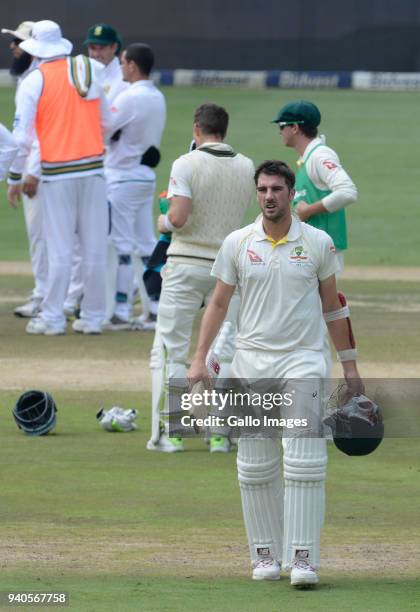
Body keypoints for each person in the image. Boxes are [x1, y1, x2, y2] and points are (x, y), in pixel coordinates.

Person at [187, 160, 363, 585]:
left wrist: (351, 367)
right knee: (254, 465)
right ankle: (265, 555)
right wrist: (199, 358)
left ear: (291, 193)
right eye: (263, 189)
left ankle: (303, 559)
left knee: (303, 460)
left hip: (304, 359)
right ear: (257, 192)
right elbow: (218, 304)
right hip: (251, 363)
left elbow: (333, 307)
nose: (269, 196)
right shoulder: (237, 243)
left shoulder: (317, 243)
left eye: (277, 189)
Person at [147, 103, 255, 453]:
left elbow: (177, 218)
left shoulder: (185, 163)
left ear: (197, 129)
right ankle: (220, 434)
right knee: (225, 349)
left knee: (171, 347)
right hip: (229, 268)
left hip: (186, 263)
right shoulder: (246, 165)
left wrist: (162, 221)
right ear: (224, 130)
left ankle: (172, 432)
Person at [7, 20, 111, 335]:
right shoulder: (88, 69)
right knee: (93, 248)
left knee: (60, 249)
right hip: (93, 169)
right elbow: (107, 119)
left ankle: (52, 317)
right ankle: (93, 318)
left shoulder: (33, 81)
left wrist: (15, 174)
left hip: (56, 173)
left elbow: (22, 138)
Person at [103, 43, 166, 329]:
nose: (120, 66)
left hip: (122, 175)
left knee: (122, 244)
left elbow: (104, 129)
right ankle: (154, 307)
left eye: (123, 62)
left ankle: (120, 310)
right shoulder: (157, 96)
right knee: (146, 243)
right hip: (143, 176)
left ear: (132, 65)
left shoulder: (129, 97)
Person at [272, 100, 357, 276]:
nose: (279, 131)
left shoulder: (319, 156)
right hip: (312, 249)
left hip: (323, 252)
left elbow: (347, 191)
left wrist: (309, 210)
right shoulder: (308, 157)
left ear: (295, 127)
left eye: (282, 125)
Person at [2, 20, 47, 318]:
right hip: (42, 168)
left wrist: (19, 176)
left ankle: (44, 297)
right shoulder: (30, 79)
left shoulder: (38, 80)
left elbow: (29, 138)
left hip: (40, 171)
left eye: (18, 43)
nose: (12, 48)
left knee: (42, 237)